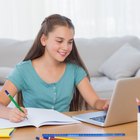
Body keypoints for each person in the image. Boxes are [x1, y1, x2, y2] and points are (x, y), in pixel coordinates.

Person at [0, 14, 109, 123]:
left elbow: (95, 101)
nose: (66, 47)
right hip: (33, 132)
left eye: (70, 42)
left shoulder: (75, 70)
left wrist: (105, 104)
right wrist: (9, 113)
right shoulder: (23, 70)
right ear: (43, 40)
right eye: (59, 41)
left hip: (65, 131)